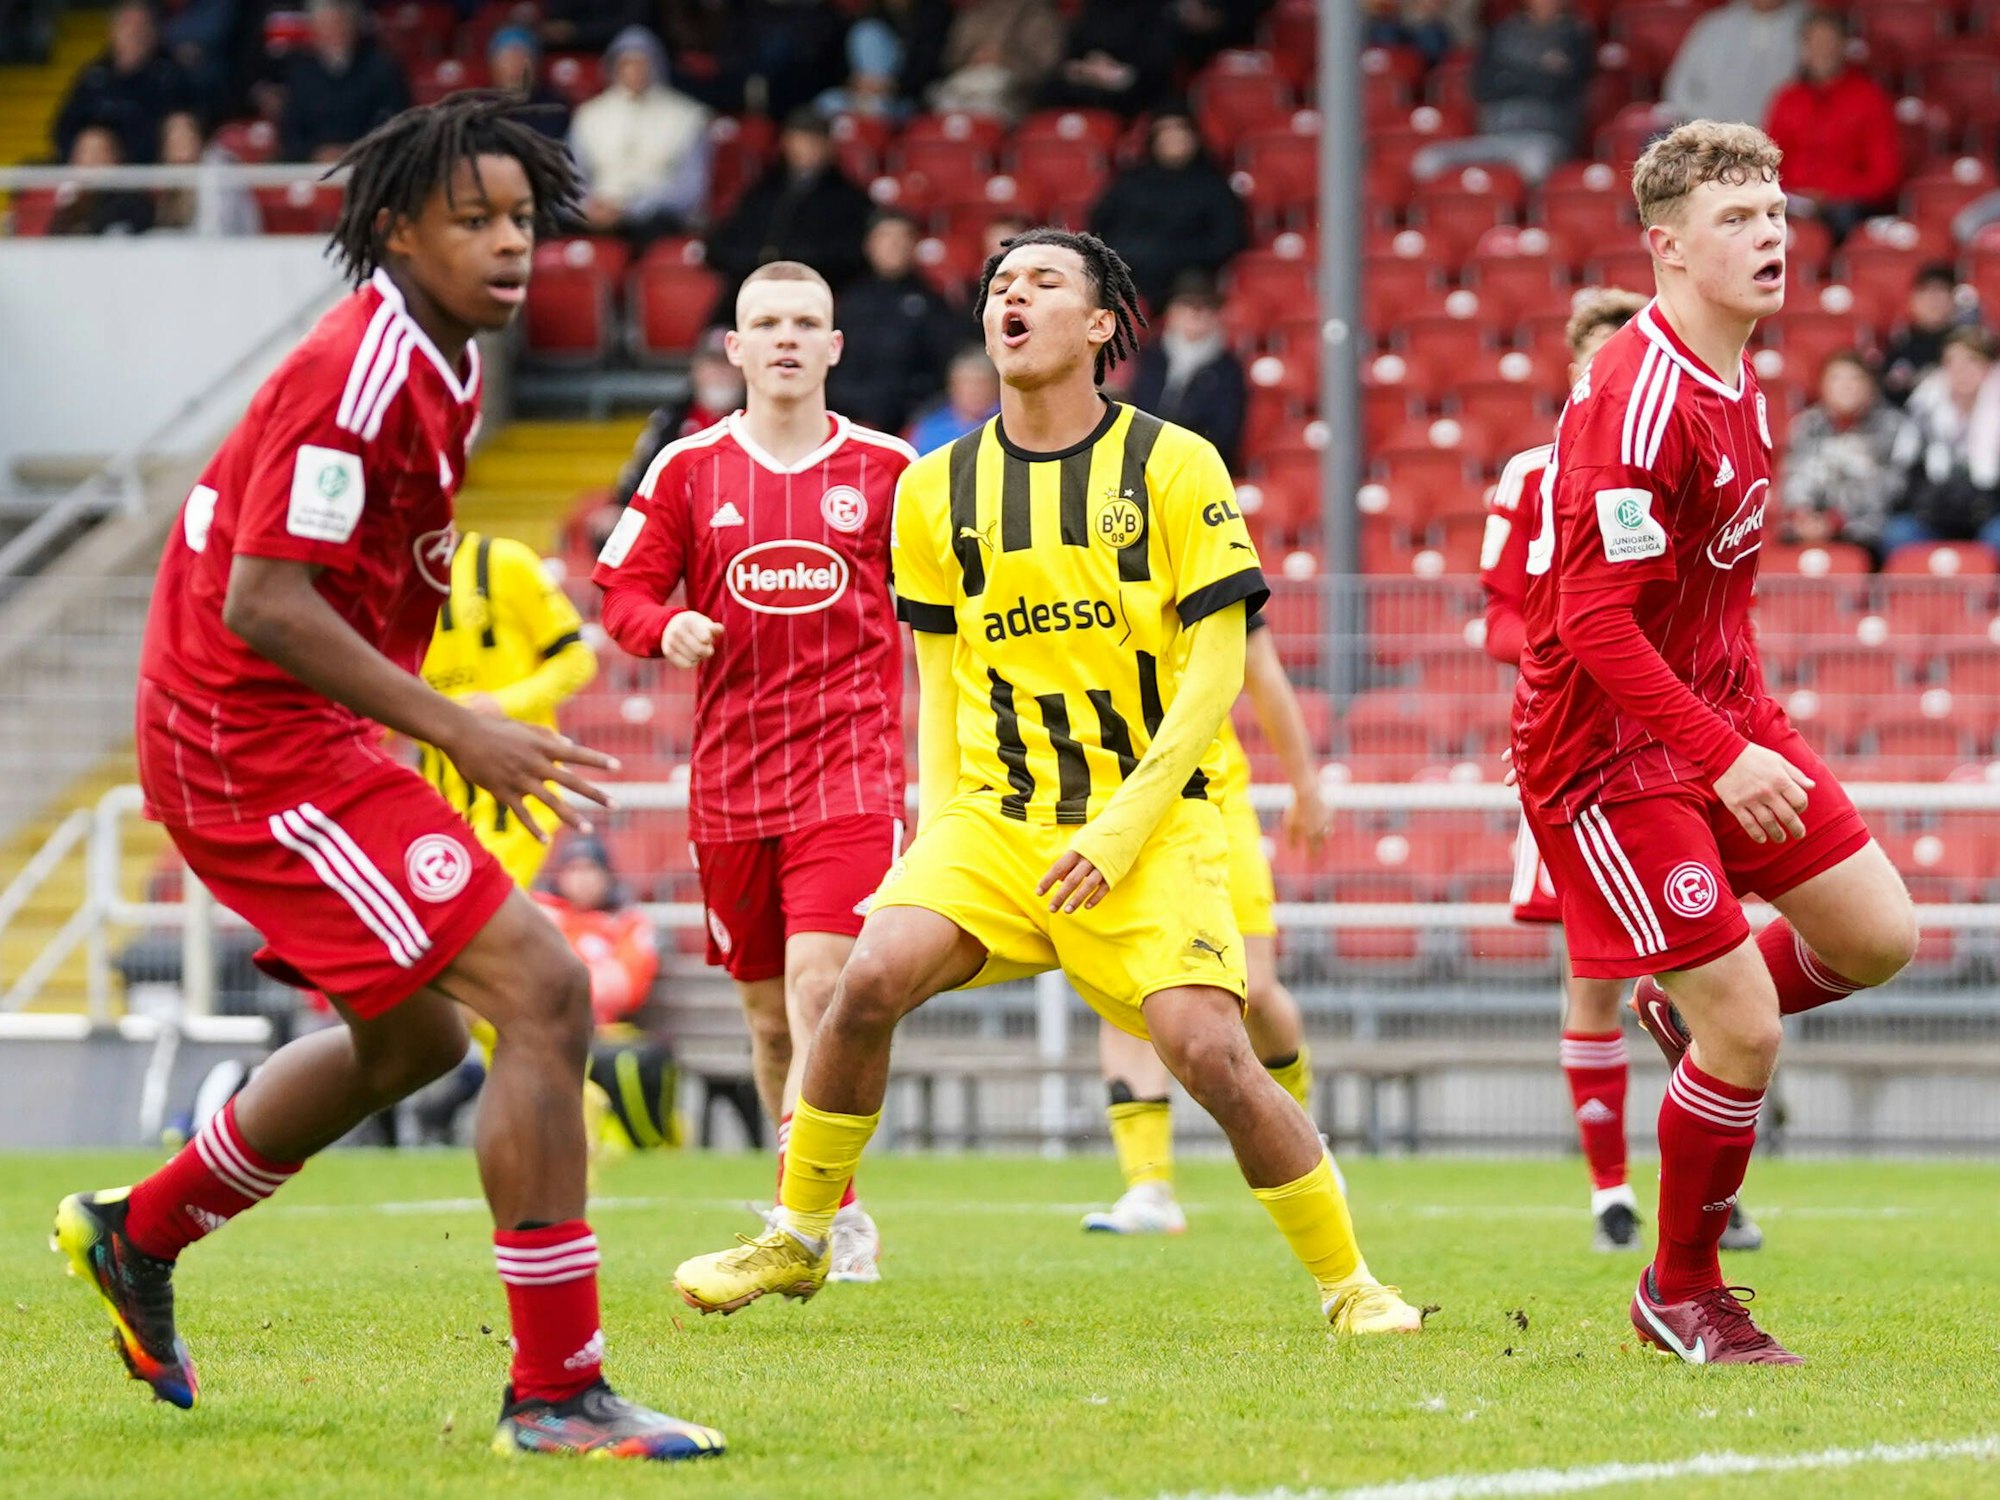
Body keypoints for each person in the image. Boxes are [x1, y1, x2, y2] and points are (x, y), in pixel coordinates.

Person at [50, 93, 724, 1461]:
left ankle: (140, 1231)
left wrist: (416, 719)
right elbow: (265, 600)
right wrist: (456, 725)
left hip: (302, 732)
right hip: (246, 739)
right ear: (396, 228)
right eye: (471, 219)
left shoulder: (449, 361)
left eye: (522, 218)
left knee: (418, 1040)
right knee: (542, 989)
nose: (508, 243)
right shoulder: (355, 370)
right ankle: (555, 1393)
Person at [671, 227, 1424, 1336]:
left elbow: (1216, 670)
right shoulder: (934, 491)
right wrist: (932, 836)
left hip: (1150, 823)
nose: (1010, 296)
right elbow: (936, 682)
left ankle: (1349, 1285)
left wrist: (1119, 832)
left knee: (1209, 1049)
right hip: (996, 822)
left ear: (1100, 323)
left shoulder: (1173, 465)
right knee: (857, 980)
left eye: (1041, 282)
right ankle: (796, 1236)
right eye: (997, 285)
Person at [1513, 120, 1917, 1365]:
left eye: (1777, 217)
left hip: (1715, 708)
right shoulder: (1635, 397)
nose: (1770, 239)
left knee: (1876, 937)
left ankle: (1682, 1015)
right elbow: (1587, 620)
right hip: (1606, 747)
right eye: (1737, 220)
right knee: (1748, 1024)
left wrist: (1738, 727)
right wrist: (1716, 750)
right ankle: (1678, 1289)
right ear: (1665, 248)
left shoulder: (1741, 377)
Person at [594, 260, 916, 1285]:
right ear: (733, 349)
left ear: (833, 348)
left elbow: (949, 604)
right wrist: (664, 624)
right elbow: (621, 596)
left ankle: (831, 1215)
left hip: (850, 774)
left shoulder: (890, 470)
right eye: (765, 322)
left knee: (827, 984)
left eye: (805, 322)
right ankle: (801, 1198)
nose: (785, 337)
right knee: (767, 1017)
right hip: (731, 784)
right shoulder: (687, 470)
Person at [1484, 285, 1763, 1254]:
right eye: (1599, 356)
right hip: (1581, 751)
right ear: (1575, 368)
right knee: (1590, 980)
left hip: (1676, 742)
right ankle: (1609, 1192)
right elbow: (1499, 616)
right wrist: (1569, 643)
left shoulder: (1692, 431)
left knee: (1707, 968)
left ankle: (1712, 1185)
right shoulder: (1532, 472)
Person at [1079, 611, 1332, 1235]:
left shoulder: (1200, 546)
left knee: (1256, 991)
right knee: (1125, 995)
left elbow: (1262, 670)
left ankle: (1303, 1141)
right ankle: (1149, 1189)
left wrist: (1305, 785)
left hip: (1208, 799)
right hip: (1104, 798)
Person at [417, 532, 598, 891]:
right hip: (433, 795)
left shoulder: (504, 561)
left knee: (472, 919)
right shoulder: (384, 577)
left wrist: (502, 704)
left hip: (511, 788)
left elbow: (578, 659)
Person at [1411, 0, 1594, 187]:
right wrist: (1538, 72)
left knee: (1534, 164)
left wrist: (1507, 75)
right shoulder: (1502, 33)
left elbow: (1556, 87)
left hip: (1543, 139)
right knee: (1428, 161)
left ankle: (1528, 216)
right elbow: (1483, 87)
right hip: (1491, 138)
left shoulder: (1575, 35)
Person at [1762, 10, 1900, 244]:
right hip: (1791, 202)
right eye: (1814, 43)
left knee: (1843, 217)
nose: (1821, 51)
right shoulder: (1787, 98)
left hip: (1843, 208)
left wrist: (1829, 195)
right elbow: (1766, 163)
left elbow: (1885, 176)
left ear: (1844, 47)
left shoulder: (1869, 99)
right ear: (1803, 49)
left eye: (1829, 43)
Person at [1088, 107, 1245, 312]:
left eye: (1180, 132)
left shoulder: (1214, 186)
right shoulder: (1130, 182)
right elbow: (1100, 227)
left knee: (1192, 289)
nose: (1174, 140)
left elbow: (1227, 241)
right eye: (1166, 133)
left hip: (1187, 273)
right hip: (1130, 269)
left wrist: (1173, 254)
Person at [706, 108, 875, 297]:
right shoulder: (762, 191)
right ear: (785, 143)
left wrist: (791, 263)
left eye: (813, 141)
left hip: (815, 294)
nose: (806, 148)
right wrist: (759, 262)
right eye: (799, 140)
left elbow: (851, 255)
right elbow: (725, 243)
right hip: (753, 289)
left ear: (829, 145)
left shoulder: (850, 198)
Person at [567, 26, 711, 242]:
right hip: (597, 215)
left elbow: (691, 190)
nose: (635, 70)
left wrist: (630, 208)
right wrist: (587, 206)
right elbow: (569, 176)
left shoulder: (687, 116)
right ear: (614, 66)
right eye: (628, 63)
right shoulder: (589, 115)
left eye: (643, 62)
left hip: (655, 218)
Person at [828, 209, 962, 435]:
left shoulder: (932, 303)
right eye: (886, 237)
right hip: (846, 417)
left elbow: (940, 374)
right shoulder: (850, 299)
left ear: (913, 246)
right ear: (869, 245)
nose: (894, 245)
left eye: (902, 238)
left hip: (907, 423)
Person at [1780, 351, 1908, 560]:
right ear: (1822, 386)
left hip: (1866, 529)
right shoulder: (1806, 425)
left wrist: (1835, 521)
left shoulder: (1892, 427)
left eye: (1855, 379)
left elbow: (1889, 488)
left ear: (1871, 386)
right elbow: (1794, 474)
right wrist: (1802, 514)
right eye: (1837, 378)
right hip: (1809, 524)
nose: (1846, 386)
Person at [1884, 326, 2000, 554]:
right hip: (1934, 514)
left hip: (1991, 512)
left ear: (1988, 367)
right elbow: (1906, 470)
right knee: (1897, 534)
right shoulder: (1923, 407)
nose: (1961, 371)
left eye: (1971, 361)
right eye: (1952, 363)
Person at [612, 331, 747, 506]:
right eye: (712, 364)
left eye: (728, 364)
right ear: (696, 370)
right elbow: (640, 476)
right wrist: (620, 506)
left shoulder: (760, 421)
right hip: (677, 516)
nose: (721, 373)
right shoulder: (669, 420)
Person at [1125, 272, 1244, 470]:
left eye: (1206, 307)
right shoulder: (1151, 357)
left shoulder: (1228, 369)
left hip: (1198, 466)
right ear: (1171, 313)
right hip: (1144, 461)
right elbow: (1137, 406)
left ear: (1216, 315)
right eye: (1187, 305)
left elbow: (1224, 432)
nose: (1196, 314)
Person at [53, 0, 192, 165]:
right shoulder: (94, 77)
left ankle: (180, 190)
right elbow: (65, 128)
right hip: (105, 164)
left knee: (181, 129)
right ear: (112, 32)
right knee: (92, 142)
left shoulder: (170, 74)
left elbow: (190, 116)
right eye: (126, 26)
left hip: (155, 162)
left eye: (140, 27)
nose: (133, 33)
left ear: (154, 33)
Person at [278, 0, 411, 163]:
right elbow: (291, 133)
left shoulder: (381, 68)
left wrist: (356, 150)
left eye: (340, 24)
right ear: (315, 30)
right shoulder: (300, 73)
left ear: (353, 26)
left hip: (369, 166)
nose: (335, 33)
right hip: (313, 170)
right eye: (328, 26)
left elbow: (395, 122)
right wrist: (315, 154)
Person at [1662, 0, 1805, 130]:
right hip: (1714, 136)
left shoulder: (1809, 24)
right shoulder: (1714, 25)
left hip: (1786, 141)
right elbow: (1679, 90)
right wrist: (1715, 126)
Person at [925, 0, 1064, 121]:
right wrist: (974, 57)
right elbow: (950, 57)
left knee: (984, 102)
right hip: (966, 79)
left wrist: (1004, 60)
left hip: (1013, 91)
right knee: (941, 98)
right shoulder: (975, 10)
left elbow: (1045, 65)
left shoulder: (1037, 12)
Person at [1041, 0, 1175, 118]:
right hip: (1086, 79)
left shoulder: (1155, 9)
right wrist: (1087, 68)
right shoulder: (1095, 6)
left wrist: (1114, 74)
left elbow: (1156, 64)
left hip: (1132, 85)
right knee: (1047, 89)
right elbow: (1073, 51)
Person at [153, 108, 262, 236]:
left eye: (185, 135)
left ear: (198, 139)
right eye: (173, 137)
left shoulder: (218, 172)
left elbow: (216, 231)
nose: (179, 142)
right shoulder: (165, 180)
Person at [1878, 263, 1972, 407]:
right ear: (1913, 300)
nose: (1933, 300)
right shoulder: (1897, 348)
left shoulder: (1969, 346)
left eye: (1941, 291)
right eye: (1926, 292)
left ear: (1953, 300)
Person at [48, 124, 156, 237]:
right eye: (84, 152)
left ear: (115, 159)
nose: (91, 160)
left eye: (99, 151)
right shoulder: (66, 206)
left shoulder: (132, 204)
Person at [906, 345, 1000, 454]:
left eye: (981, 383)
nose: (974, 391)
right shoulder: (930, 429)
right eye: (966, 383)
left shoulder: (1010, 423)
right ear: (952, 387)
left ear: (996, 386)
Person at [487, 26, 573, 141]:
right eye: (507, 60)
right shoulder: (478, 109)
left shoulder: (554, 108)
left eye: (522, 58)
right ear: (493, 66)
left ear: (536, 64)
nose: (515, 67)